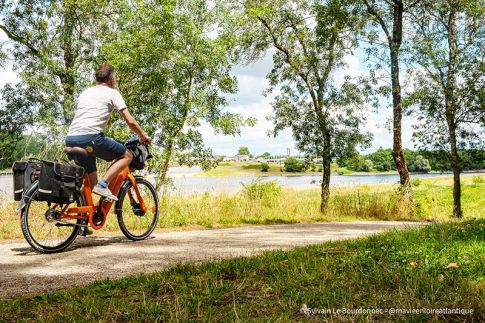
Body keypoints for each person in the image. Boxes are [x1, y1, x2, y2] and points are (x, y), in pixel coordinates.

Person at [65, 63, 151, 201]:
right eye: (115, 78)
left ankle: (84, 216)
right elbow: (130, 121)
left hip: (71, 139)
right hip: (90, 138)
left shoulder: (86, 92)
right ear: (111, 79)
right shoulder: (112, 93)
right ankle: (103, 184)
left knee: (91, 185)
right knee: (127, 156)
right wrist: (142, 135)